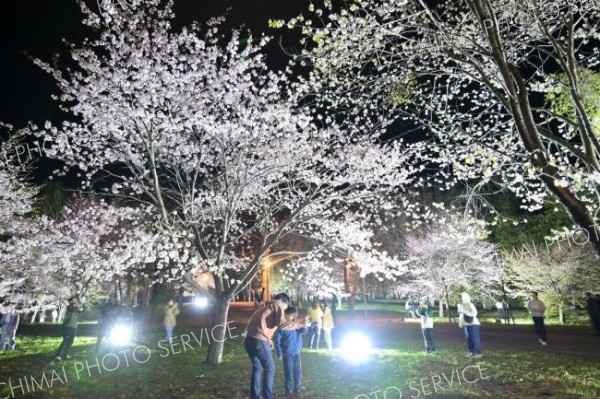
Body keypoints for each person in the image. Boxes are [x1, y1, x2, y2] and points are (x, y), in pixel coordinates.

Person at [244, 293, 298, 399]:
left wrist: (269, 339)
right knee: (270, 368)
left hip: (249, 340)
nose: (285, 311)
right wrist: (299, 324)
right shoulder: (278, 305)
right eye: (286, 307)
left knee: (257, 367)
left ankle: (255, 396)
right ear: (283, 301)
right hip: (259, 341)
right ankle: (268, 396)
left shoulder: (266, 308)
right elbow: (281, 324)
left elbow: (260, 324)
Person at [274, 306, 309, 396]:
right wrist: (279, 352)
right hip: (287, 353)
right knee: (289, 372)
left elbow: (304, 331)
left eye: (294, 316)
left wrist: (305, 324)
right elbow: (277, 340)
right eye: (291, 315)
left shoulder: (295, 325)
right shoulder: (283, 327)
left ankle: (297, 387)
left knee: (298, 372)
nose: (293, 318)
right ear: (285, 315)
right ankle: (288, 390)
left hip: (296, 352)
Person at [458, 293, 482, 357]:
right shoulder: (461, 305)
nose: (460, 299)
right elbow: (461, 315)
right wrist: (460, 323)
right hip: (466, 324)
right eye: (460, 298)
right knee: (469, 338)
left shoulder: (470, 304)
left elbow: (474, 313)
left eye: (461, 297)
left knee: (475, 338)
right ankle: (471, 351)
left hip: (473, 323)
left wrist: (465, 312)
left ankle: (478, 353)